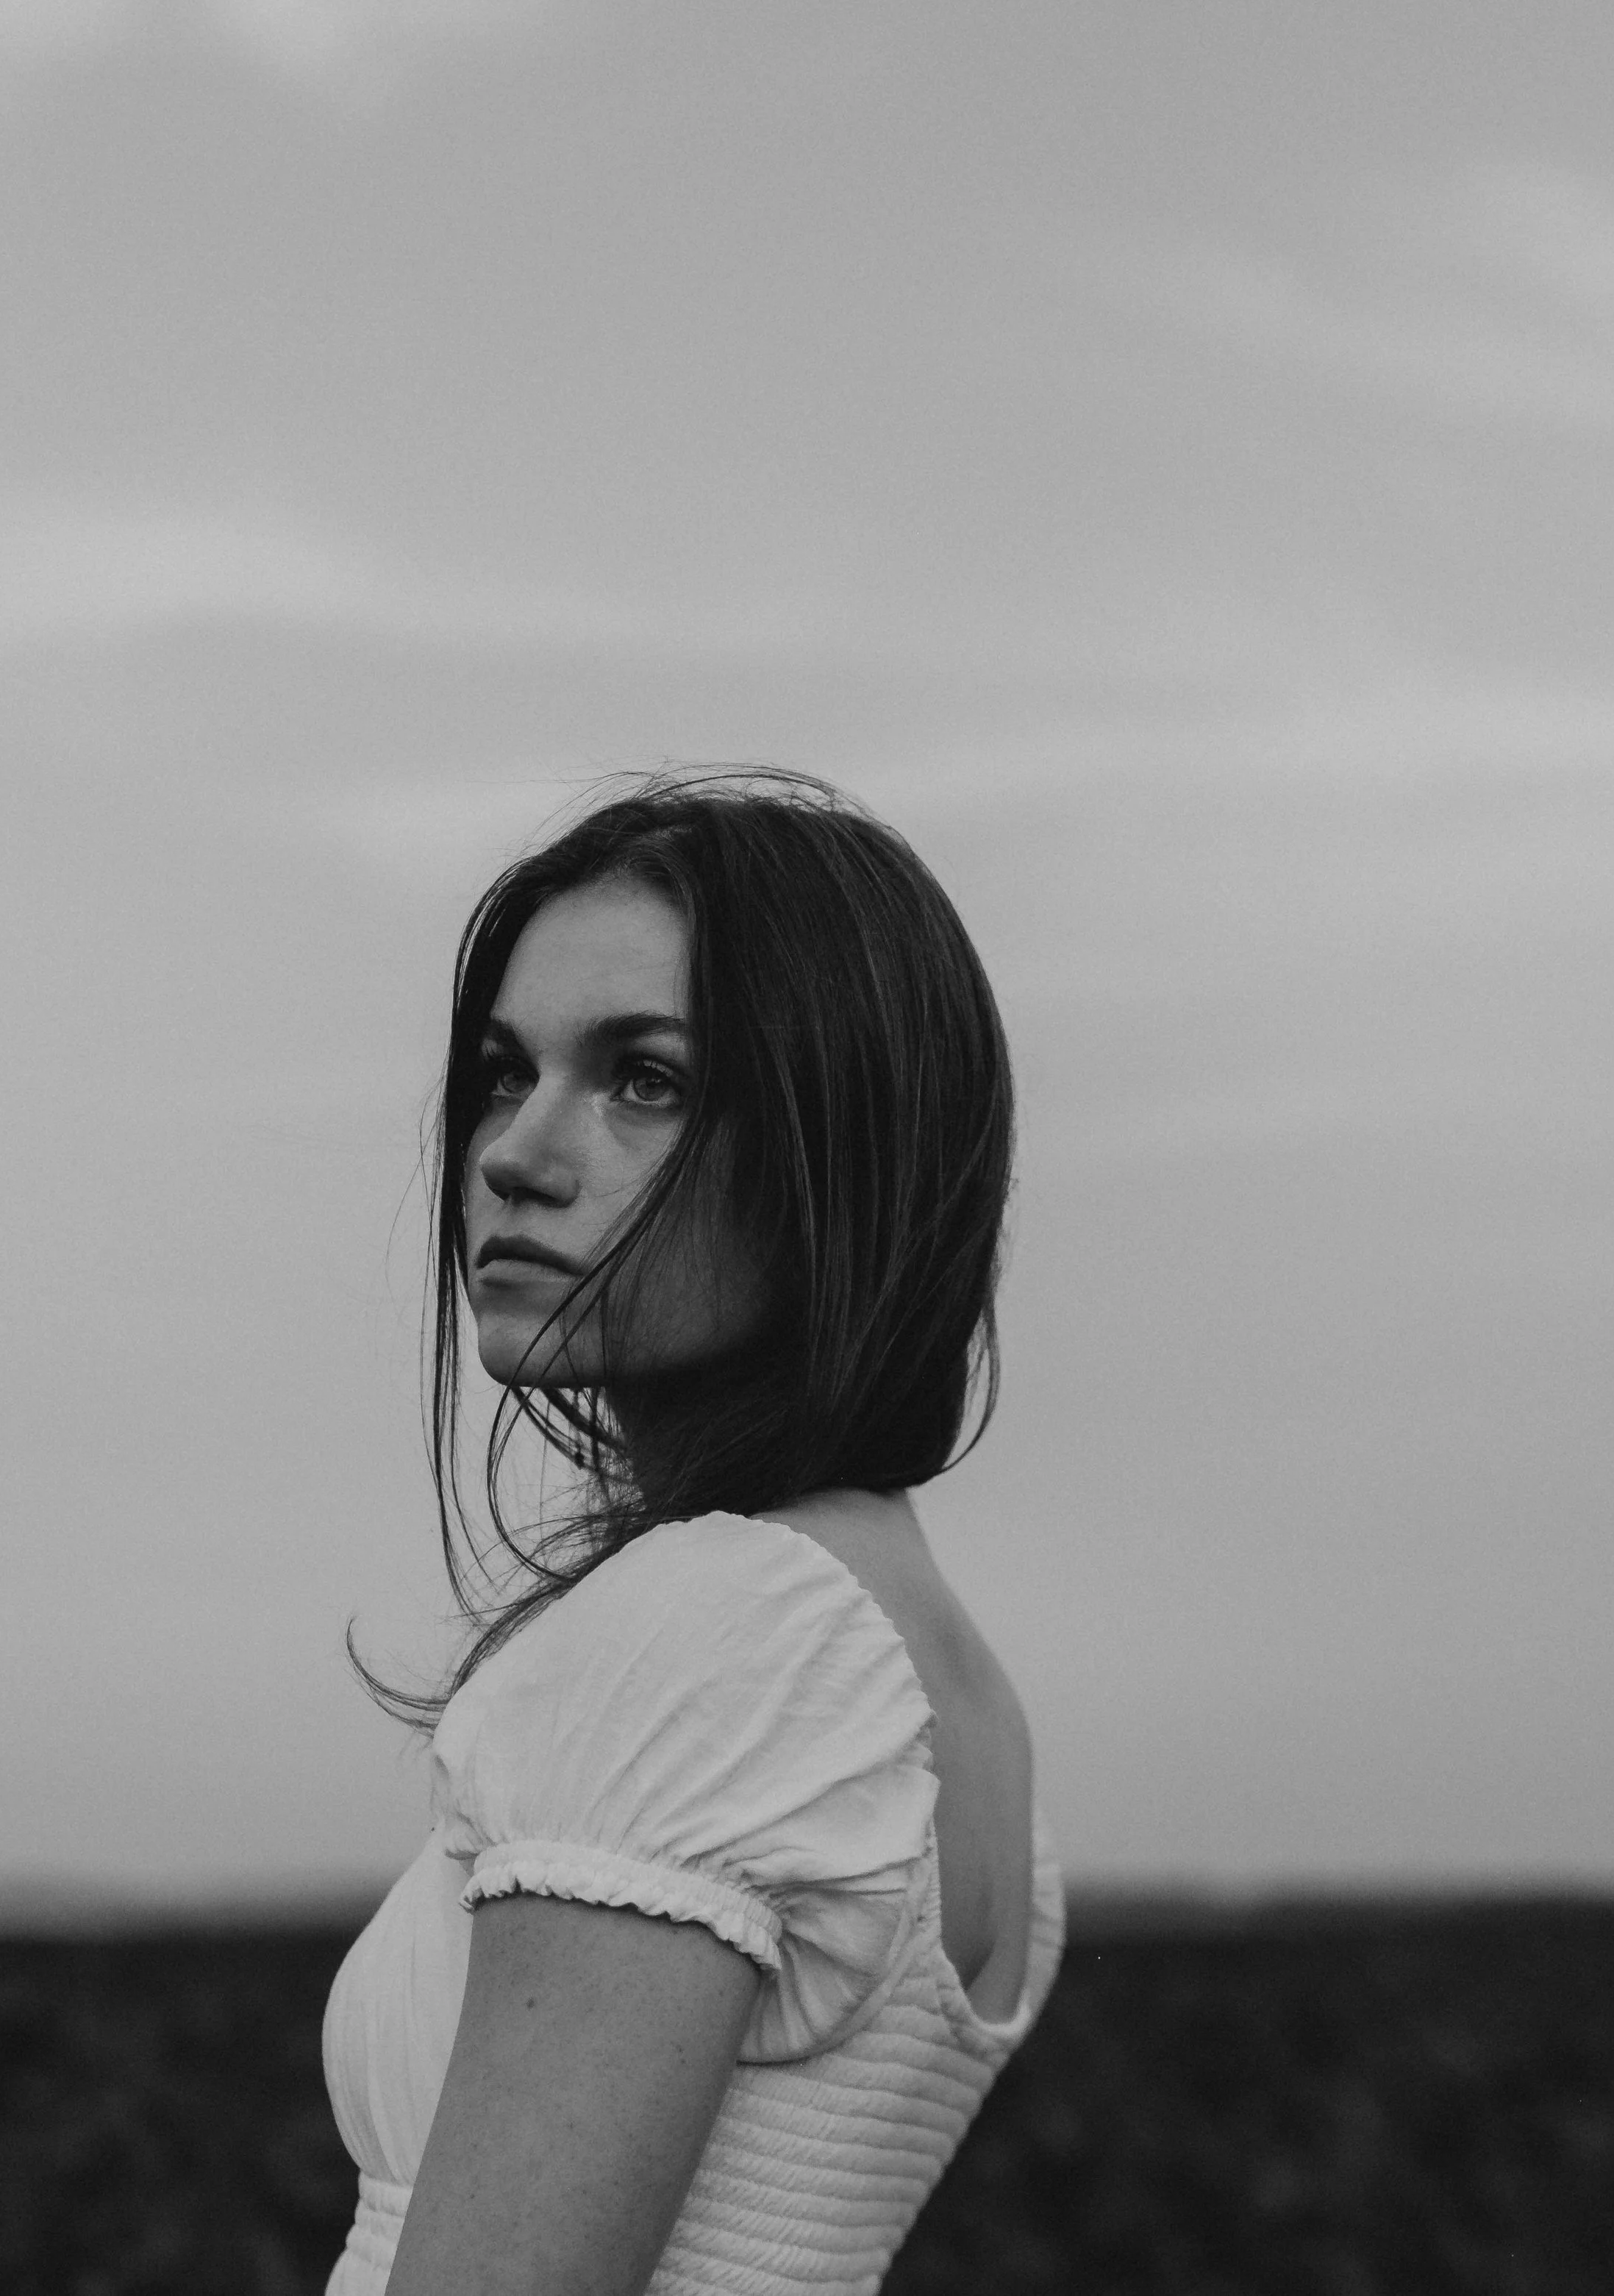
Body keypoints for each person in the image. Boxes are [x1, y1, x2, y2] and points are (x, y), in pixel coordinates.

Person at [321, 768, 1065, 2296]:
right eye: (502, 1069)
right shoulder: (932, 1664)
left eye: (639, 1078)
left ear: (835, 1146)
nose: (516, 1152)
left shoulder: (720, 1625)